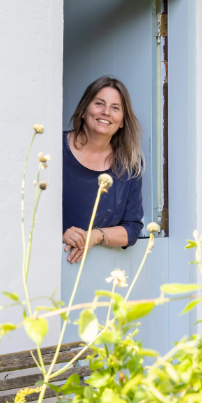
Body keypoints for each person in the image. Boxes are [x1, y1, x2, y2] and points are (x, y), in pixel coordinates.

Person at [62, 76, 144, 264]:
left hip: (103, 269)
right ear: (84, 110)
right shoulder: (54, 150)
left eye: (115, 108)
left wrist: (95, 236)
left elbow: (132, 228)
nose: (106, 112)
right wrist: (60, 236)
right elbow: (29, 211)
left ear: (122, 121)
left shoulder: (130, 164)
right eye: (99, 103)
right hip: (47, 264)